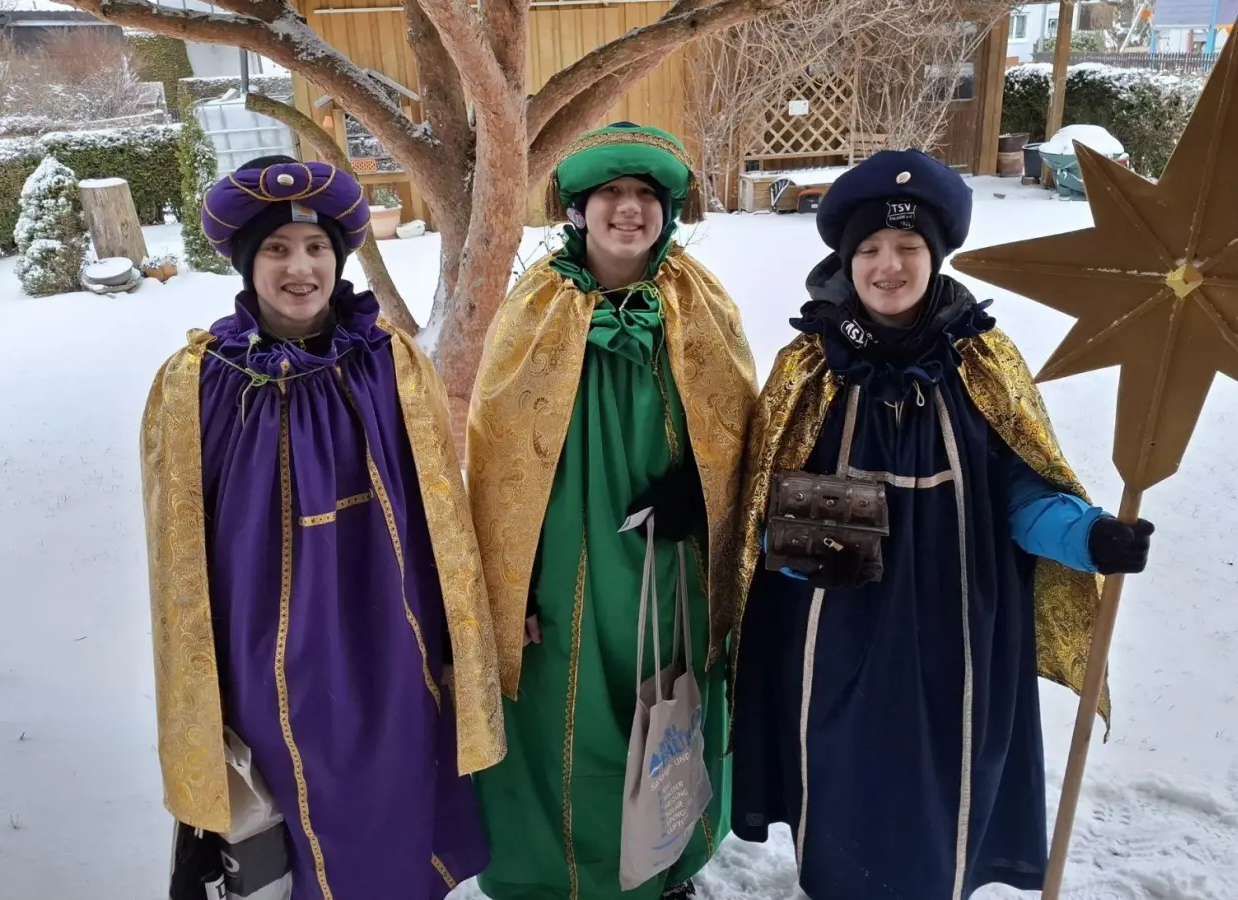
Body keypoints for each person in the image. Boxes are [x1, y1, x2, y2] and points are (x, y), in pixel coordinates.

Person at [722, 149, 1155, 900]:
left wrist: (1089, 537)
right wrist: (781, 549)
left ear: (936, 255)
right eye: (870, 250)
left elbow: (1023, 494)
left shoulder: (982, 362)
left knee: (944, 785)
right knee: (840, 781)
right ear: (846, 260)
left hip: (957, 634)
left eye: (909, 248)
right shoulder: (807, 367)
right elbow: (759, 497)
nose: (889, 266)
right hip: (832, 636)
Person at [140, 154, 506, 900]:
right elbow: (177, 545)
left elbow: (438, 507)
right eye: (276, 250)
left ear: (339, 259)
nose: (298, 268)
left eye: (315, 249)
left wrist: (448, 640)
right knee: (289, 812)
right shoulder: (201, 381)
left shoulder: (388, 362)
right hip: (260, 647)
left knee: (394, 795)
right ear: (248, 263)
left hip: (389, 633)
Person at [465, 123, 757, 900]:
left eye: (645, 197)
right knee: (571, 718)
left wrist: (703, 492)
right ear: (579, 211)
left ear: (666, 211)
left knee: (666, 701)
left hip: (671, 555)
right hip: (559, 559)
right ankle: (568, 878)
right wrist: (510, 586)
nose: (628, 211)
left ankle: (661, 865)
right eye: (610, 196)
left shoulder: (700, 299)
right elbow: (493, 457)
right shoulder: (534, 306)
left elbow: (738, 421)